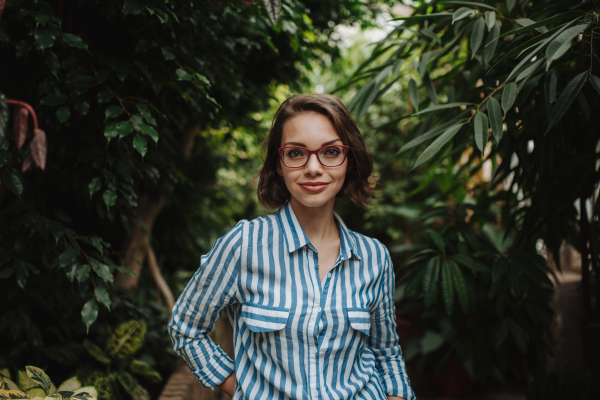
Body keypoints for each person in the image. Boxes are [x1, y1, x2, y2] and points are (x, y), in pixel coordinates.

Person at [167, 94, 415, 400]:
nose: (313, 167)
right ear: (279, 165)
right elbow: (186, 327)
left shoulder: (374, 257)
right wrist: (242, 387)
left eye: (331, 151)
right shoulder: (244, 246)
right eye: (296, 153)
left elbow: (387, 353)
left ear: (349, 161)